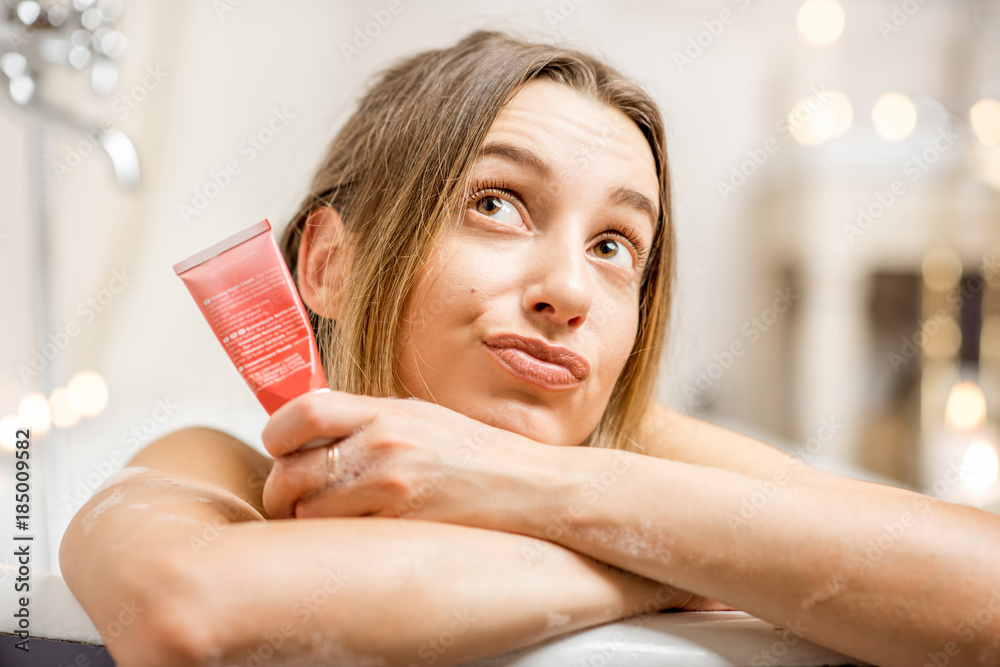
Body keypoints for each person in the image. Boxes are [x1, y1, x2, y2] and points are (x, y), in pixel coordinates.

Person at [60, 30, 1000, 667]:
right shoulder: (220, 465)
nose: (571, 291)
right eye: (497, 204)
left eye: (614, 246)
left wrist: (527, 483)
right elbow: (178, 606)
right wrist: (681, 558)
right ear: (330, 265)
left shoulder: (644, 447)